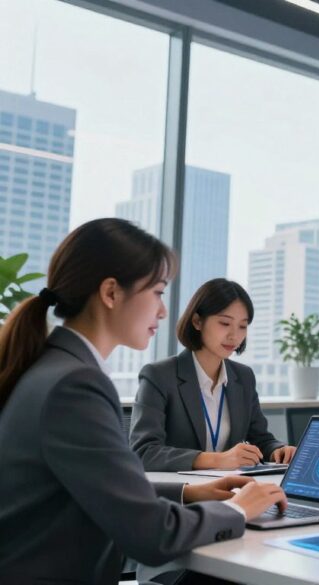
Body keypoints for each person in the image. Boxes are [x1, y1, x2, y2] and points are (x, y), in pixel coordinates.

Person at [0, 219, 285, 583]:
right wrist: (236, 510)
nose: (163, 312)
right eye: (158, 293)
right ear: (111, 293)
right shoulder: (76, 384)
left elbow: (96, 483)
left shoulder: (56, 367)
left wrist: (190, 491)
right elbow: (153, 534)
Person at [130, 278, 295, 471]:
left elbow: (261, 439)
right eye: (225, 323)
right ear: (197, 321)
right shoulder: (159, 376)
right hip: (180, 493)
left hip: (229, 490)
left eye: (242, 326)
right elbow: (143, 452)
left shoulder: (243, 377)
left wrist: (278, 450)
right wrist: (216, 460)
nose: (235, 335)